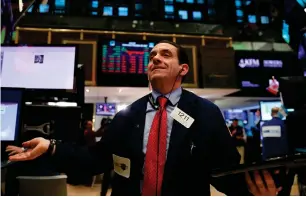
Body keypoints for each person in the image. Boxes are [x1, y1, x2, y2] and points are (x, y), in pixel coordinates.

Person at [9, 40, 282, 196]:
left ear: (183, 68)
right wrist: (51, 147)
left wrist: (254, 189)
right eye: (152, 56)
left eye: (165, 54)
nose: (156, 59)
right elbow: (96, 158)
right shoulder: (130, 114)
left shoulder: (205, 113)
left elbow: (223, 172)